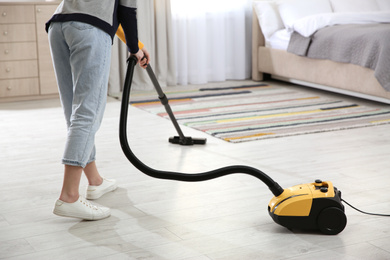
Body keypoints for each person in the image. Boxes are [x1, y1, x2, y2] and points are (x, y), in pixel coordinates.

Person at [46, 0, 150, 220]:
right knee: (87, 113)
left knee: (74, 109)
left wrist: (135, 45)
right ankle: (69, 196)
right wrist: (134, 47)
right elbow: (126, 10)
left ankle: (95, 181)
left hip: (59, 25)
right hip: (89, 30)